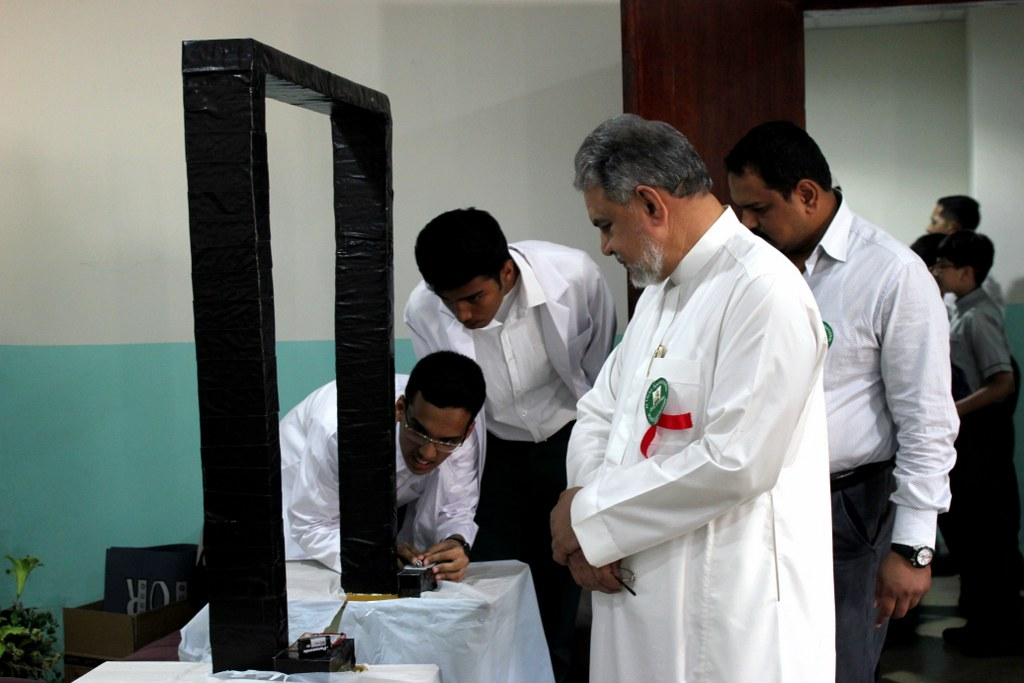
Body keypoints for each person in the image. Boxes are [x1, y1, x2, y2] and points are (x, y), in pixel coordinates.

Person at [549, 113, 835, 683]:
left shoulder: (763, 290)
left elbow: (737, 461)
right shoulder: (660, 292)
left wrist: (591, 517)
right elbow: (601, 412)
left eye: (606, 225)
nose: (605, 246)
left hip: (727, 603)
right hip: (632, 579)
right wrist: (587, 505)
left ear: (651, 204)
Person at [726, 121, 959, 683]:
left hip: (847, 509)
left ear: (807, 194)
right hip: (754, 503)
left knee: (838, 664)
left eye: (758, 208)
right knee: (763, 663)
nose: (747, 224)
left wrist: (914, 547)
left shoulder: (891, 274)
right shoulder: (754, 267)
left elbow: (927, 420)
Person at [404, 207, 615, 681]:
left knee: (563, 579)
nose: (463, 314)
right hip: (493, 453)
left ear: (506, 272)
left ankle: (555, 672)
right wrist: (456, 523)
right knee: (487, 582)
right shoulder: (422, 309)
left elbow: (601, 376)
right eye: (449, 302)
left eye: (473, 298)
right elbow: (453, 413)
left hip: (569, 442)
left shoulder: (574, 276)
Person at [280, 350, 486, 582]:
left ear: (468, 431)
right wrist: (373, 552)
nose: (427, 452)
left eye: (446, 441)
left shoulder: (460, 434)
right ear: (400, 408)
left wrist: (456, 542)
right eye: (419, 432)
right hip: (292, 499)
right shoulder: (342, 429)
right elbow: (310, 525)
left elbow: (455, 508)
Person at [931, 230, 1023, 655]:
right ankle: (982, 623)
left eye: (944, 266)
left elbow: (1003, 383)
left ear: (967, 273)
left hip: (981, 442)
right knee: (971, 536)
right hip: (969, 438)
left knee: (986, 538)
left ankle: (996, 631)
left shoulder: (978, 317)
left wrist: (951, 412)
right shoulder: (961, 309)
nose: (937, 271)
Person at [926, 194, 1004, 313]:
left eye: (934, 222)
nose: (928, 228)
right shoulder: (955, 276)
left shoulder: (980, 284)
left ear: (952, 227)